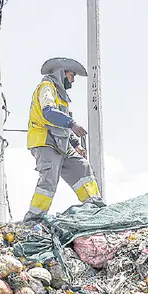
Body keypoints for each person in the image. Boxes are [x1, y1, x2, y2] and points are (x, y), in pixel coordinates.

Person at [25, 57, 104, 222]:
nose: (73, 80)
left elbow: (62, 126)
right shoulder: (47, 88)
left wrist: (75, 144)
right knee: (49, 179)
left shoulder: (61, 96)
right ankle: (34, 218)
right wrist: (72, 123)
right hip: (45, 140)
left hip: (61, 142)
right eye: (72, 75)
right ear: (62, 73)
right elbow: (49, 112)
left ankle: (94, 205)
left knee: (81, 166)